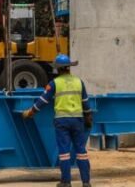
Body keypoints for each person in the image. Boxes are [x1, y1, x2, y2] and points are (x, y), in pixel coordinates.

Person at [22, 54, 92, 187]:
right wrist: (88, 118)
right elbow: (85, 102)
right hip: (78, 120)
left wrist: (30, 112)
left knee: (64, 152)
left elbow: (43, 101)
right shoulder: (79, 82)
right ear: (69, 68)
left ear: (57, 69)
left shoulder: (54, 83)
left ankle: (66, 182)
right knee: (81, 151)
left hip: (62, 121)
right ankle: (86, 182)